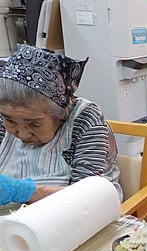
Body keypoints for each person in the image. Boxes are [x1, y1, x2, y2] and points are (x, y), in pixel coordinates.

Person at [0, 44, 122, 206]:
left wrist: (23, 191)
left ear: (60, 115)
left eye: (34, 124)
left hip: (72, 213)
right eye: (10, 121)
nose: (22, 134)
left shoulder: (85, 119)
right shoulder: (5, 112)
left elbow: (88, 196)